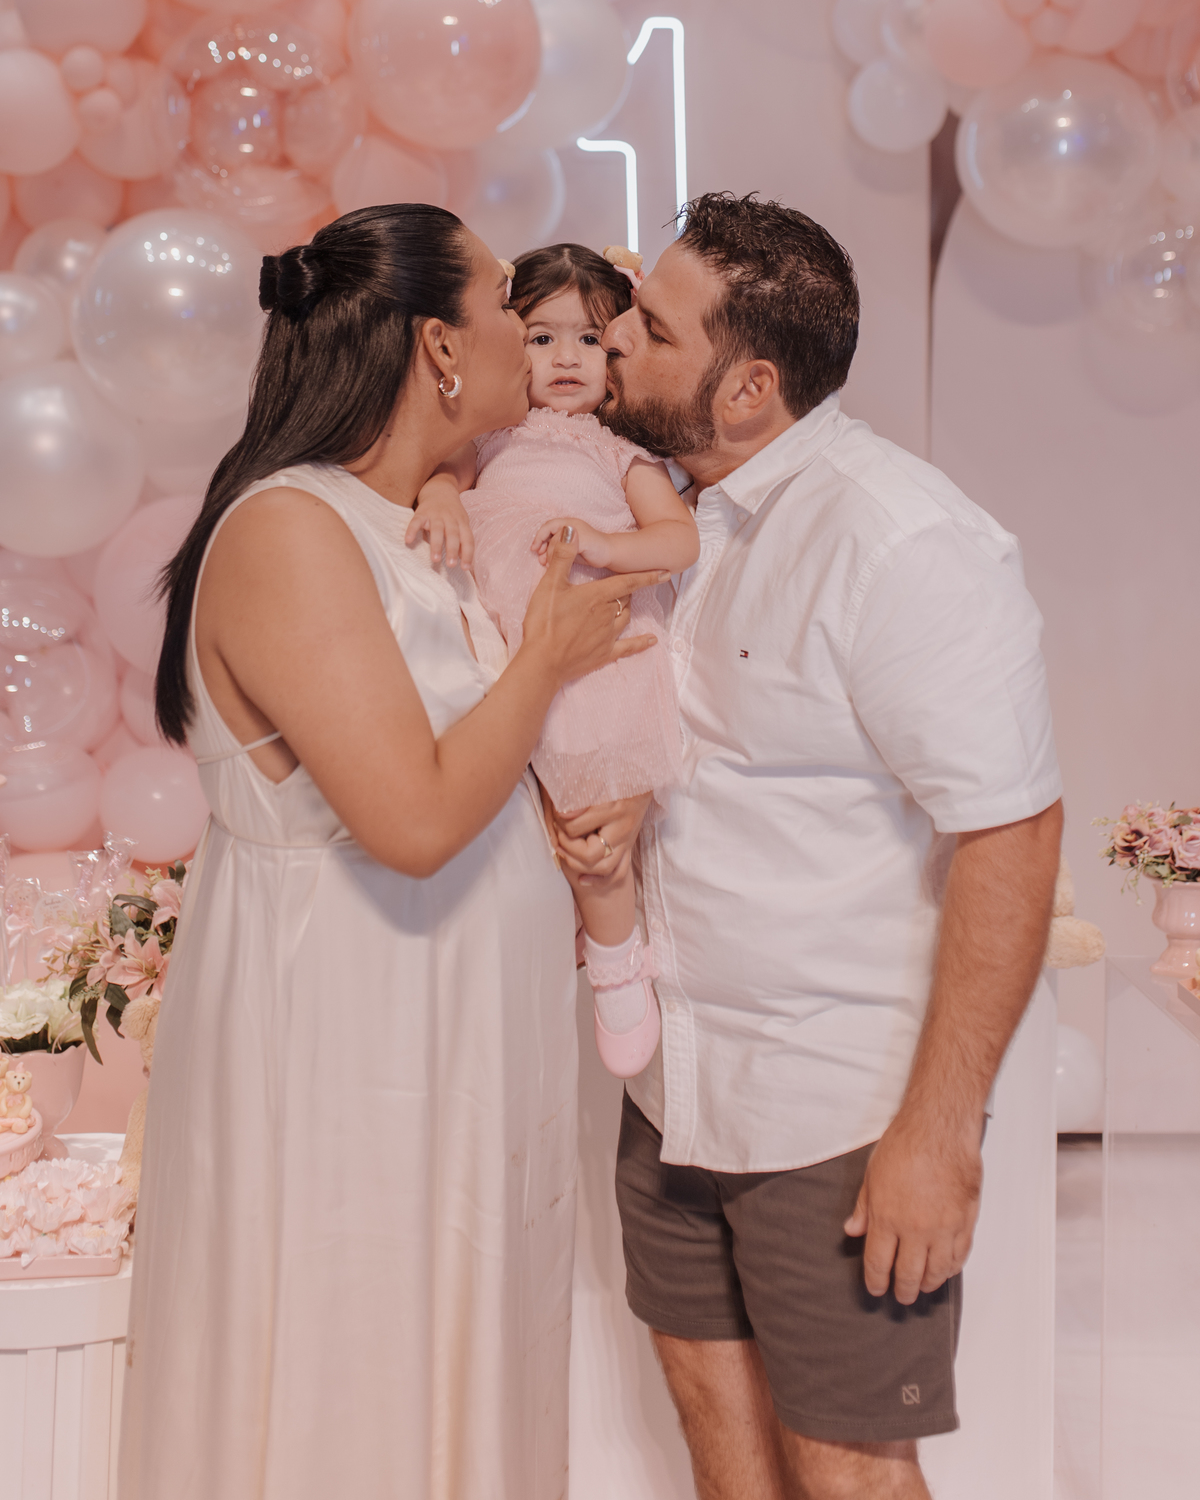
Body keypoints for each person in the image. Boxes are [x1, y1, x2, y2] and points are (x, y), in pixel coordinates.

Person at [119, 204, 664, 1500]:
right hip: (355, 1062)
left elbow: (491, 761)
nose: (529, 336)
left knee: (464, 1389)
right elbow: (412, 821)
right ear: (439, 347)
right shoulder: (290, 530)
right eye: (501, 301)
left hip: (459, 1059)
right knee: (356, 1388)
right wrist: (546, 659)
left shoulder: (429, 524)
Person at [556, 192, 1064, 1500]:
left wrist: (939, 1135)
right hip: (672, 1090)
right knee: (719, 1451)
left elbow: (1011, 830)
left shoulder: (901, 540)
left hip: (836, 1109)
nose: (616, 337)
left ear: (748, 390)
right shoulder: (664, 509)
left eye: (652, 327)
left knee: (848, 1472)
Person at [406, 243, 699, 1078]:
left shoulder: (616, 452)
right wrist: (440, 495)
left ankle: (616, 958)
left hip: (591, 647)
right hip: (501, 643)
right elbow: (441, 478)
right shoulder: (489, 437)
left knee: (589, 813)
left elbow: (677, 539)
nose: (567, 358)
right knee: (508, 798)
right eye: (541, 338)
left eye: (590, 339)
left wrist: (605, 543)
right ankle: (566, 928)